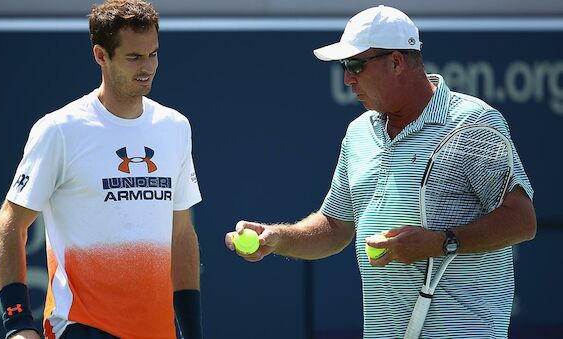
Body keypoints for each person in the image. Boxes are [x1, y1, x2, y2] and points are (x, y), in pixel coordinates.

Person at [225, 5, 536, 338]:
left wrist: (439, 243)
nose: (347, 78)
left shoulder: (472, 123)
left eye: (356, 65)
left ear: (397, 62)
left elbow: (521, 220)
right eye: (345, 67)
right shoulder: (359, 133)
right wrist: (279, 238)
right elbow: (334, 227)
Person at [0, 1, 203, 338]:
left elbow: (181, 235)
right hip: (81, 327)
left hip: (156, 331)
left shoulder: (175, 127)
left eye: (153, 54)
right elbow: (10, 223)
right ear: (101, 56)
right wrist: (18, 324)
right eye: (134, 57)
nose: (147, 67)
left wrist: (192, 332)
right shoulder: (59, 130)